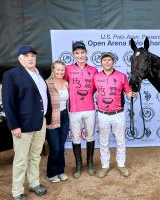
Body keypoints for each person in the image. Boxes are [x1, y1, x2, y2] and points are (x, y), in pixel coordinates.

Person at [2, 45, 52, 200]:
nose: (31, 58)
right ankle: (17, 191)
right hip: (22, 126)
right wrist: (14, 125)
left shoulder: (39, 73)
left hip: (40, 123)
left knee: (35, 156)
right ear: (20, 58)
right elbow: (8, 103)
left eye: (33, 56)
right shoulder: (11, 75)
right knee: (21, 159)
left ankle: (34, 183)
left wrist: (46, 119)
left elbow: (42, 97)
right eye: (27, 56)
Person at [94, 52, 136, 178]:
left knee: (120, 141)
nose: (107, 62)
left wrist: (132, 94)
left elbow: (128, 92)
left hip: (118, 114)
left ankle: (121, 165)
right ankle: (105, 166)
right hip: (102, 114)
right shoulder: (96, 77)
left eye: (109, 60)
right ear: (101, 62)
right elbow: (88, 92)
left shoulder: (122, 76)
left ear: (113, 62)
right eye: (104, 60)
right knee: (104, 142)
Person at [65, 41, 98, 178]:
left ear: (86, 53)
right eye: (77, 53)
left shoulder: (93, 70)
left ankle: (90, 163)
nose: (80, 55)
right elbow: (62, 83)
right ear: (73, 54)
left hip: (89, 108)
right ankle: (78, 165)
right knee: (76, 138)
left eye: (82, 52)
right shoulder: (67, 69)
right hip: (74, 109)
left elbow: (95, 88)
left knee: (90, 136)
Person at [45, 61, 69, 183]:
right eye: (58, 70)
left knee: (61, 147)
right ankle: (51, 173)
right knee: (54, 148)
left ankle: (60, 171)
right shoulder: (46, 84)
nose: (60, 72)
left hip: (64, 117)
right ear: (53, 70)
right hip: (51, 118)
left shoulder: (66, 83)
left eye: (62, 70)